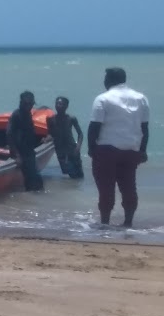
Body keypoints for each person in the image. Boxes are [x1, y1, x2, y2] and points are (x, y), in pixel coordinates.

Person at [88, 67, 149, 228]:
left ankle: (105, 222)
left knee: (106, 189)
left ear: (110, 80)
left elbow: (94, 127)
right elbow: (145, 128)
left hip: (107, 149)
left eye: (106, 77)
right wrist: (143, 150)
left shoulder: (103, 99)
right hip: (131, 149)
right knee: (129, 187)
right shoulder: (141, 98)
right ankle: (128, 222)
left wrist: (91, 149)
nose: (104, 81)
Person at [6, 90, 44, 191]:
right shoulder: (16, 115)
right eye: (27, 104)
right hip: (21, 153)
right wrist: (17, 155)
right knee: (32, 181)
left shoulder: (28, 114)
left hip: (29, 151)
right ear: (21, 103)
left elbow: (29, 133)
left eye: (31, 104)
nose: (29, 106)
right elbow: (9, 134)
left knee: (36, 181)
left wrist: (41, 141)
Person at [48, 96, 84, 179]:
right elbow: (50, 134)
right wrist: (46, 139)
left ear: (66, 106)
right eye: (57, 103)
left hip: (72, 149)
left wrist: (78, 147)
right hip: (60, 150)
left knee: (79, 174)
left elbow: (80, 134)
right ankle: (75, 190)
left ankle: (77, 190)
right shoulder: (50, 119)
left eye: (61, 104)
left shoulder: (71, 118)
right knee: (69, 172)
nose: (58, 105)